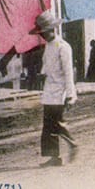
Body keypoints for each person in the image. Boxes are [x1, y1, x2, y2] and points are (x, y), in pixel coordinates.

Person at [30, 10, 78, 167]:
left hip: (59, 92)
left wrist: (71, 95)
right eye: (41, 33)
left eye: (45, 32)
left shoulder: (63, 47)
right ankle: (54, 157)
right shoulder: (49, 46)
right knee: (48, 126)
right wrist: (41, 74)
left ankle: (73, 144)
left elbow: (68, 72)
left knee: (56, 122)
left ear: (53, 29)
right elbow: (47, 66)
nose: (43, 36)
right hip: (49, 90)